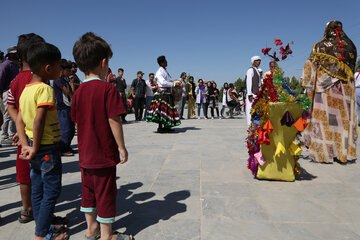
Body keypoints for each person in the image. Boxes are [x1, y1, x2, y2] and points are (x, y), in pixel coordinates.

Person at [72, 32, 131, 240]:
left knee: (88, 193)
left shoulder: (77, 92)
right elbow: (114, 120)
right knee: (106, 194)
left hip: (85, 155)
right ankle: (107, 235)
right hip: (103, 155)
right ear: (104, 62)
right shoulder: (108, 89)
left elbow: (77, 122)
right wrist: (121, 147)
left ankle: (91, 229)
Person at [15, 41, 68, 240]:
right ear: (48, 68)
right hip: (46, 148)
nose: (60, 70)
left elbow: (20, 120)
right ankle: (41, 235)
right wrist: (35, 147)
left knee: (37, 189)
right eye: (58, 66)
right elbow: (38, 120)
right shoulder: (45, 89)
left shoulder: (27, 89)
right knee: (52, 191)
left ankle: (42, 226)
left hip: (34, 147)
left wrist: (26, 144)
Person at [302, 20, 358, 163]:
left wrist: (308, 85)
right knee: (342, 123)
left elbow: (310, 67)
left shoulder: (320, 46)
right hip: (346, 91)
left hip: (325, 91)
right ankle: (341, 153)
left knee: (325, 121)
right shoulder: (351, 46)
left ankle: (324, 154)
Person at [7, 33, 45, 224]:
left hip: (22, 140)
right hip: (39, 138)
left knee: (23, 175)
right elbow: (41, 112)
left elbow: (11, 106)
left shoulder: (15, 81)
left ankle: (26, 210)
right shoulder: (40, 79)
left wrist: (19, 127)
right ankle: (42, 213)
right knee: (42, 174)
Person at [146, 55, 182, 133]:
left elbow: (167, 81)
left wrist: (173, 83)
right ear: (161, 62)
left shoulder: (164, 71)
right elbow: (162, 82)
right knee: (161, 111)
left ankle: (167, 126)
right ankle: (160, 127)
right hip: (162, 94)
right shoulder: (159, 72)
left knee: (167, 111)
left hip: (167, 94)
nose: (167, 62)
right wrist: (174, 84)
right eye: (165, 61)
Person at [53, 59, 75, 156]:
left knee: (71, 129)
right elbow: (67, 92)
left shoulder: (65, 79)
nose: (70, 72)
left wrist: (71, 84)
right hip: (62, 107)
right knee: (65, 129)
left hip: (68, 106)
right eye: (68, 70)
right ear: (62, 69)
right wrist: (71, 85)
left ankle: (67, 146)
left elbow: (72, 91)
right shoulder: (58, 79)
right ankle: (62, 149)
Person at [0, 46, 19, 145]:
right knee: (7, 114)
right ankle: (4, 135)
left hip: (14, 91)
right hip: (7, 91)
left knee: (13, 114)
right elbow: (1, 78)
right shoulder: (6, 65)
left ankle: (11, 134)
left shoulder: (16, 64)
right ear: (11, 54)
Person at [245, 56, 261, 126]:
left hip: (256, 95)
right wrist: (249, 94)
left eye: (259, 60)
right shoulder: (250, 70)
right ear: (253, 61)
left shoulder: (257, 70)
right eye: (257, 60)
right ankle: (250, 127)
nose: (259, 62)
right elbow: (248, 82)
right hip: (252, 95)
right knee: (250, 111)